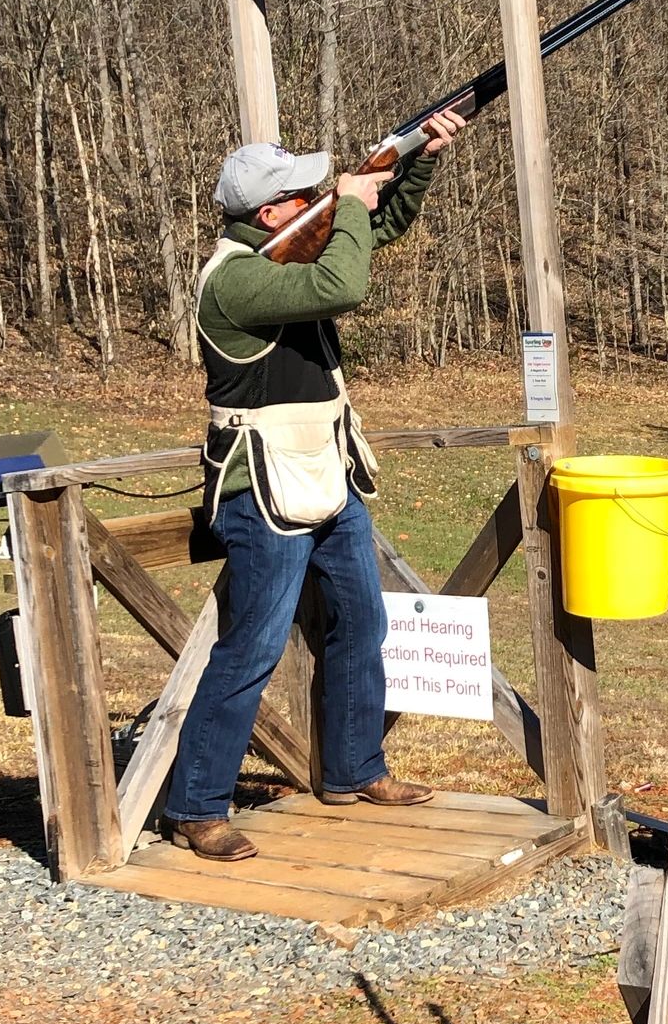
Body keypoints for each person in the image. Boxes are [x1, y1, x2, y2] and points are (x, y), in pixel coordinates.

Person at [163, 113, 465, 860]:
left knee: (364, 623)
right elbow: (347, 279)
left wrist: (416, 159)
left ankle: (354, 770)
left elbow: (374, 234)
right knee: (253, 648)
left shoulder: (276, 256)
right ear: (269, 215)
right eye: (302, 197)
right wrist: (354, 204)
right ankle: (197, 805)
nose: (316, 203)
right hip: (262, 485)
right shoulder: (235, 280)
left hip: (324, 471)